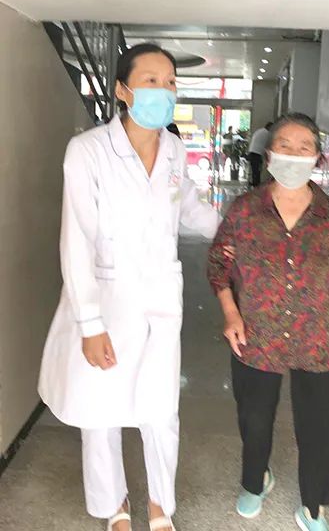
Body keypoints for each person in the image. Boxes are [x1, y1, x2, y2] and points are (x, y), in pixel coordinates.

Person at [39, 43, 221, 531]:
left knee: (161, 408)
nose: (164, 90)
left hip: (161, 298)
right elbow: (76, 239)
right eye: (151, 80)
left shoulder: (174, 149)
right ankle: (113, 506)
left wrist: (237, 232)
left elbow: (189, 208)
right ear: (122, 90)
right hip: (105, 297)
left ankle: (161, 505)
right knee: (102, 408)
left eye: (170, 82)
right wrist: (89, 324)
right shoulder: (88, 150)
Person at [207, 112, 329, 531]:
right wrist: (230, 312)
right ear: (269, 154)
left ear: (318, 158)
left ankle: (313, 505)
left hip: (315, 335)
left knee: (318, 425)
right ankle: (255, 481)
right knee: (254, 418)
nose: (294, 154)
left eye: (305, 148)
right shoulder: (245, 210)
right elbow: (218, 264)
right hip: (256, 332)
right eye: (285, 145)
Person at [247, 121, 273, 187]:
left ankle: (254, 183)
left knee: (255, 170)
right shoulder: (267, 133)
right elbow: (269, 145)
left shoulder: (260, 131)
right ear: (270, 127)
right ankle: (256, 185)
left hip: (252, 152)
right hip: (256, 153)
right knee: (257, 170)